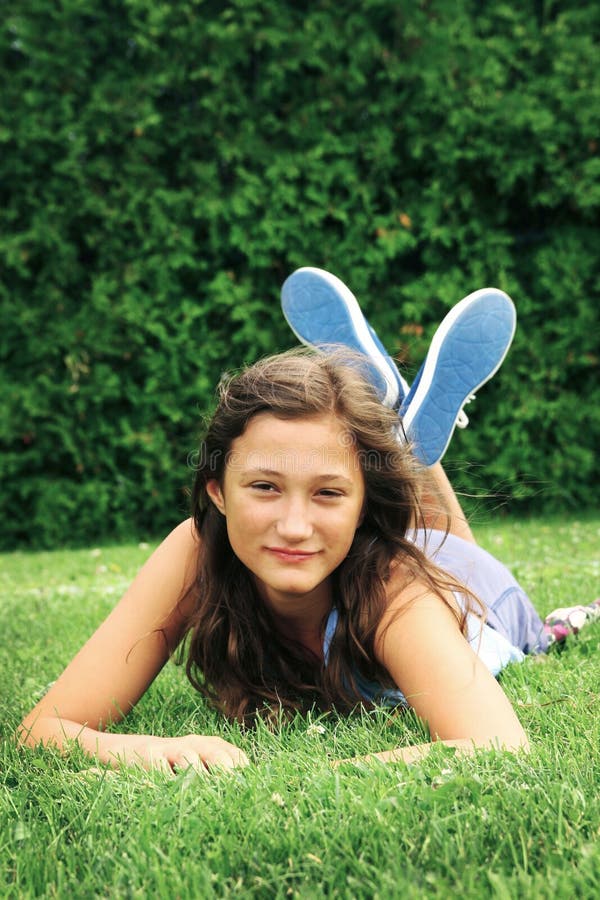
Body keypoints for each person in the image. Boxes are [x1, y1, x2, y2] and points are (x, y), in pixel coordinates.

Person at [18, 269, 599, 773]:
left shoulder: (397, 589)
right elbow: (43, 730)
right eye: (265, 487)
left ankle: (400, 433)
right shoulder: (196, 550)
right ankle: (392, 424)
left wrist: (338, 770)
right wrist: (158, 751)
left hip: (478, 599)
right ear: (218, 490)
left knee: (453, 571)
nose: (293, 526)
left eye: (327, 493)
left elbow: (496, 745)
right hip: (377, 545)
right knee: (413, 542)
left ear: (362, 504)